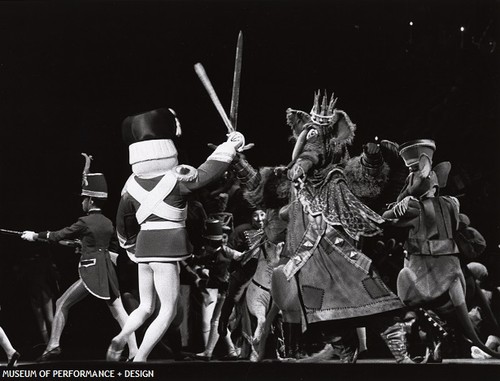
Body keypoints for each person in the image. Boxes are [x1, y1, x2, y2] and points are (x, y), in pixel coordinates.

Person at [107, 107, 245, 362]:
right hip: (166, 247)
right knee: (167, 310)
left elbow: (123, 224)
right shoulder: (175, 179)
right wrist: (230, 145)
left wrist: (130, 248)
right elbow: (208, 171)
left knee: (145, 306)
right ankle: (140, 359)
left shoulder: (130, 185)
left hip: (144, 249)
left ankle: (123, 335)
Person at [22, 154, 138, 362]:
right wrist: (79, 245)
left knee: (62, 303)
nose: (82, 202)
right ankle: (135, 351)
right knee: (119, 313)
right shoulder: (106, 222)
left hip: (92, 271)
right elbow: (98, 245)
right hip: (106, 270)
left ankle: (54, 345)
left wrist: (34, 236)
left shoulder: (84, 222)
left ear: (91, 200)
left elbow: (57, 235)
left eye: (84, 198)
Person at [193, 218, 243, 360]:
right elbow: (198, 261)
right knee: (218, 321)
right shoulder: (211, 254)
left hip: (227, 291)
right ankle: (231, 350)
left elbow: (240, 257)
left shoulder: (225, 252)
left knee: (216, 321)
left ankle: (209, 352)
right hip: (223, 291)